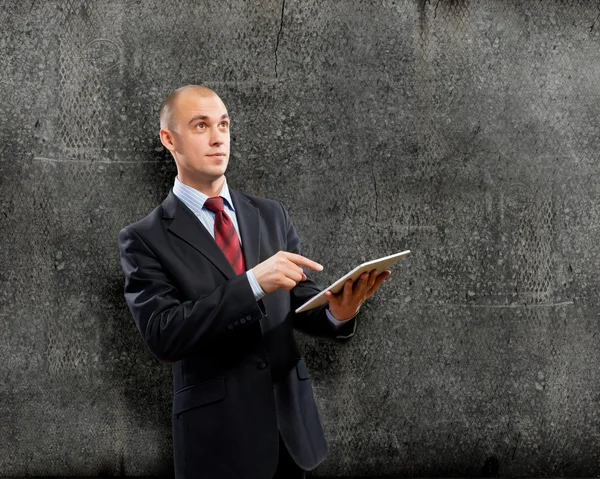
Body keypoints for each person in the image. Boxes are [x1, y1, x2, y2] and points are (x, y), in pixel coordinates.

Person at [117, 85, 391, 479]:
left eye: (224, 124)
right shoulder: (143, 238)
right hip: (217, 442)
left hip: (291, 434)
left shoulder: (270, 214)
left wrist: (337, 312)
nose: (218, 137)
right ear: (168, 139)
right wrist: (251, 284)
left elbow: (297, 298)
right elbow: (164, 335)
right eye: (200, 126)